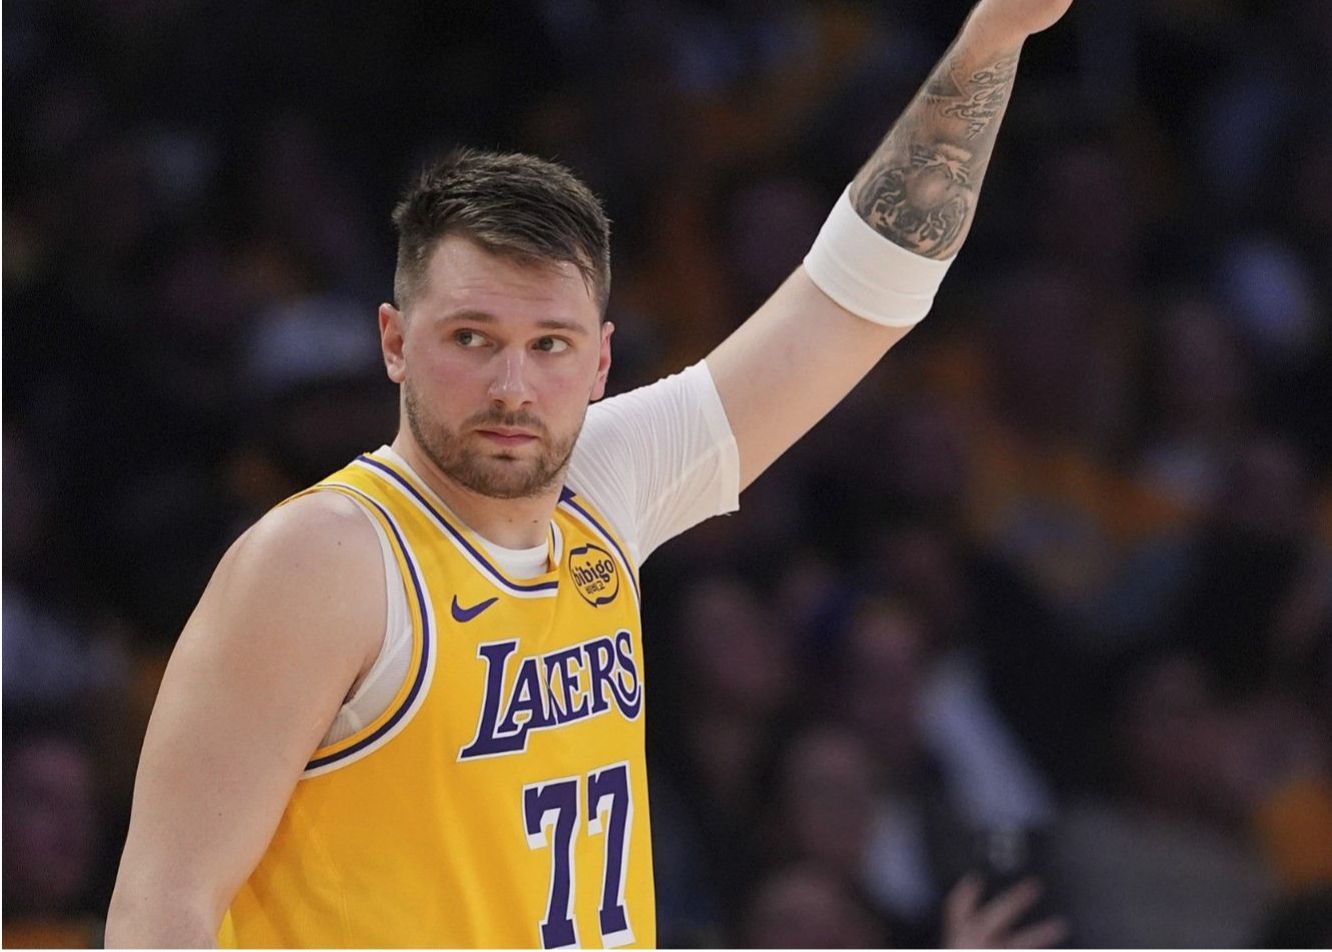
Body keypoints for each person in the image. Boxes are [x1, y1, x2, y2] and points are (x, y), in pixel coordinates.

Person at [106, 0, 1077, 945]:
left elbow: (857, 301)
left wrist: (994, 35)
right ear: (395, 342)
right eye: (472, 338)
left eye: (550, 345)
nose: (512, 386)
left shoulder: (605, 482)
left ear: (602, 360)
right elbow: (158, 914)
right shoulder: (323, 560)